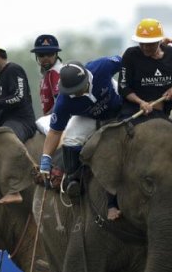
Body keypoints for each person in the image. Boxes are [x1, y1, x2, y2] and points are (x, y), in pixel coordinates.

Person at [111, 18, 172, 220]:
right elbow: (123, 87)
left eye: (149, 43)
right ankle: (112, 201)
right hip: (134, 111)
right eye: (142, 43)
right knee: (119, 145)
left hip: (161, 114)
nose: (145, 47)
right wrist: (141, 102)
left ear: (159, 42)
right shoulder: (131, 55)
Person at [39, 57, 123, 200]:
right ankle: (74, 179)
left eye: (78, 89)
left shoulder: (101, 67)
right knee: (71, 138)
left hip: (119, 104)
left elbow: (128, 60)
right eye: (72, 91)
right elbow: (55, 132)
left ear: (86, 77)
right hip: (89, 116)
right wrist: (46, 158)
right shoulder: (63, 101)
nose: (76, 94)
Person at [0, 40, 38, 205]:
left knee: (4, 138)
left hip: (22, 121)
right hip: (6, 124)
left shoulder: (14, 70)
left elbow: (19, 97)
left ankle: (13, 190)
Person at [31, 34, 63, 135]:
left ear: (56, 54)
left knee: (39, 122)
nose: (45, 58)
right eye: (41, 55)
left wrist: (48, 115)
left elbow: (61, 101)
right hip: (53, 116)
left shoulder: (55, 72)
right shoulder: (47, 73)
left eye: (49, 54)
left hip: (61, 116)